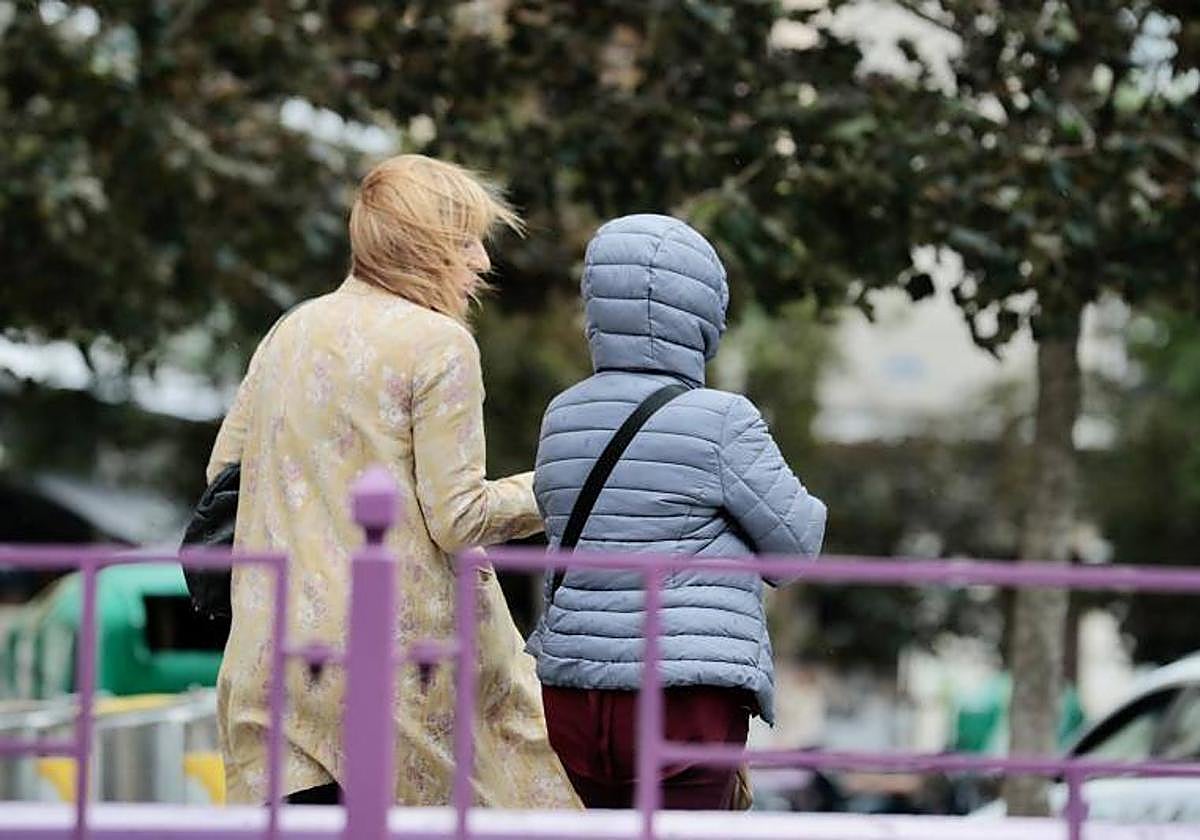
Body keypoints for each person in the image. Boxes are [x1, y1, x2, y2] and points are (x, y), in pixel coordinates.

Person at [206, 154, 580, 809]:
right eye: (466, 243)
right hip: (397, 672)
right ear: (425, 246)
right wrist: (555, 487)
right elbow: (458, 517)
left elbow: (223, 478)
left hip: (274, 660)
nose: (482, 264)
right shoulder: (439, 344)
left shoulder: (291, 330)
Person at [526, 213, 828, 810]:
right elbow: (797, 547)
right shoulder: (722, 420)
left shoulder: (560, 415)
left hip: (574, 695)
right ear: (702, 315)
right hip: (681, 697)